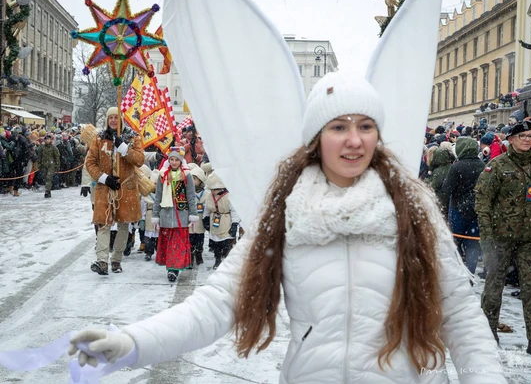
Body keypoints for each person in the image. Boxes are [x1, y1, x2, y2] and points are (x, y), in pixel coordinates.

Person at [69, 73, 506, 383]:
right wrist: (131, 343)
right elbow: (217, 304)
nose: (354, 140)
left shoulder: (414, 210)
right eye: (339, 126)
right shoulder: (286, 212)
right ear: (316, 137)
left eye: (365, 126)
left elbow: (463, 321)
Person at [475, 120, 531, 356]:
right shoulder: (497, 166)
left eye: (530, 135)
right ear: (510, 139)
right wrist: (487, 238)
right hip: (500, 238)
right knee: (493, 287)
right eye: (521, 135)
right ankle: (488, 332)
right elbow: (482, 203)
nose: (526, 139)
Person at [85, 107, 144, 275]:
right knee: (103, 224)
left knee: (123, 225)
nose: (113, 121)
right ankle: (102, 261)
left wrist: (125, 149)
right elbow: (90, 163)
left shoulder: (133, 138)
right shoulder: (99, 139)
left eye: (116, 118)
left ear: (121, 120)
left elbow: (140, 160)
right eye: (110, 118)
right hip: (105, 188)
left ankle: (116, 259)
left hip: (126, 188)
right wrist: (104, 178)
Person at [439, 137, 484, 274]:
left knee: (454, 242)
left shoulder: (457, 166)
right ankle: (470, 273)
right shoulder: (483, 165)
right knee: (472, 245)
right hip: (476, 209)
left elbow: (447, 189)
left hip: (458, 209)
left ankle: (456, 273)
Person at [152, 148, 198, 282]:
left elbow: (191, 196)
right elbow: (158, 196)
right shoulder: (162, 175)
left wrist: (193, 214)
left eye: (176, 159)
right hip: (166, 214)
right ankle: (170, 266)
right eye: (171, 159)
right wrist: (155, 215)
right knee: (169, 244)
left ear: (181, 160)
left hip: (181, 214)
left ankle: (174, 269)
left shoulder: (186, 175)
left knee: (177, 244)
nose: (173, 162)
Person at [203, 172, 241, 270]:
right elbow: (207, 208)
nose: (212, 192)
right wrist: (205, 218)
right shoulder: (209, 196)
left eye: (214, 190)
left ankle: (226, 259)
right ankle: (217, 258)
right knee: (215, 243)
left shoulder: (229, 197)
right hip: (214, 220)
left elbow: (234, 211)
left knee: (225, 241)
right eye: (211, 189)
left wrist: (234, 223)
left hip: (225, 221)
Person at [189, 164, 210, 266]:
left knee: (200, 238)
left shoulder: (206, 194)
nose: (192, 181)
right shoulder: (188, 192)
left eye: (194, 179)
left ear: (200, 180)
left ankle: (199, 253)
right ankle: (190, 255)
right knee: (190, 239)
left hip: (200, 219)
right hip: (190, 220)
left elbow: (208, 206)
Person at [37, 134, 60, 198]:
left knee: (48, 178)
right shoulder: (42, 148)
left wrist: (57, 166)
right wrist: (39, 164)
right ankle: (48, 190)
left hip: (51, 165)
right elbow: (39, 156)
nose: (47, 140)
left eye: (48, 139)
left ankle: (47, 191)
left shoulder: (53, 148)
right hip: (44, 165)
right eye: (46, 139)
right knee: (45, 178)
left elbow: (57, 157)